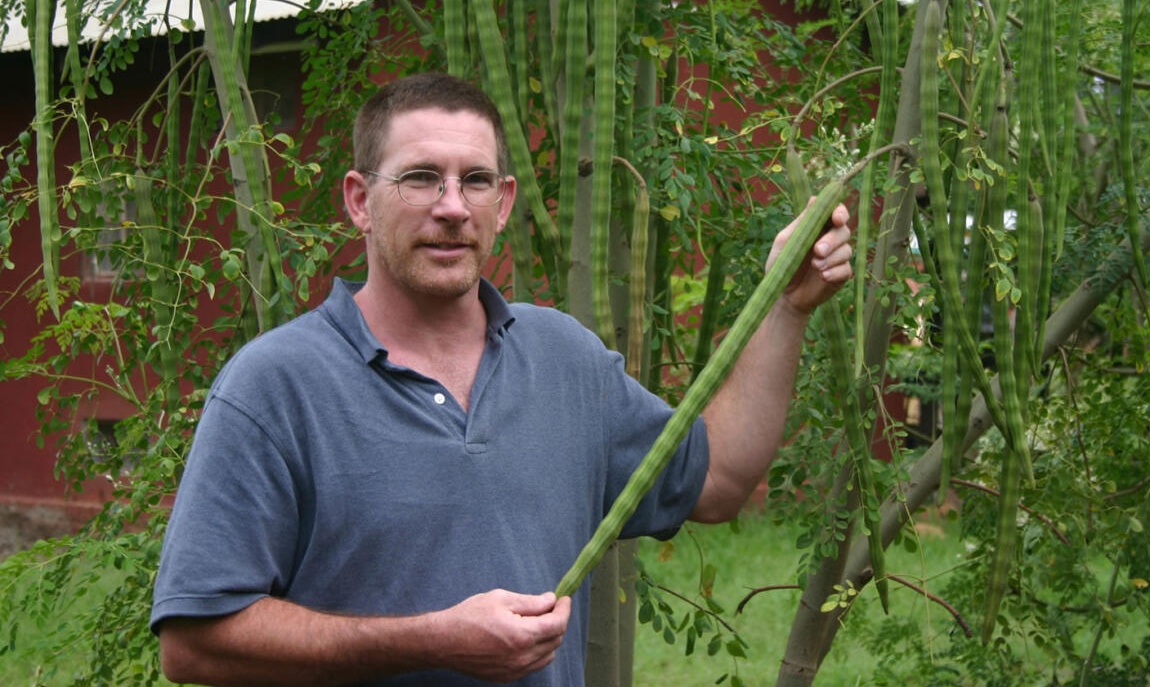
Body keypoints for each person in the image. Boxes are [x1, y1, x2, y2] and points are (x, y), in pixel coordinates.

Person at [150, 71, 852, 686]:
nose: (452, 205)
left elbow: (721, 479)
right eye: (421, 176)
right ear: (360, 200)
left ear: (504, 202)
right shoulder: (275, 386)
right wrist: (431, 640)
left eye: (475, 180)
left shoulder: (564, 359)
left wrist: (785, 306)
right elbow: (193, 643)